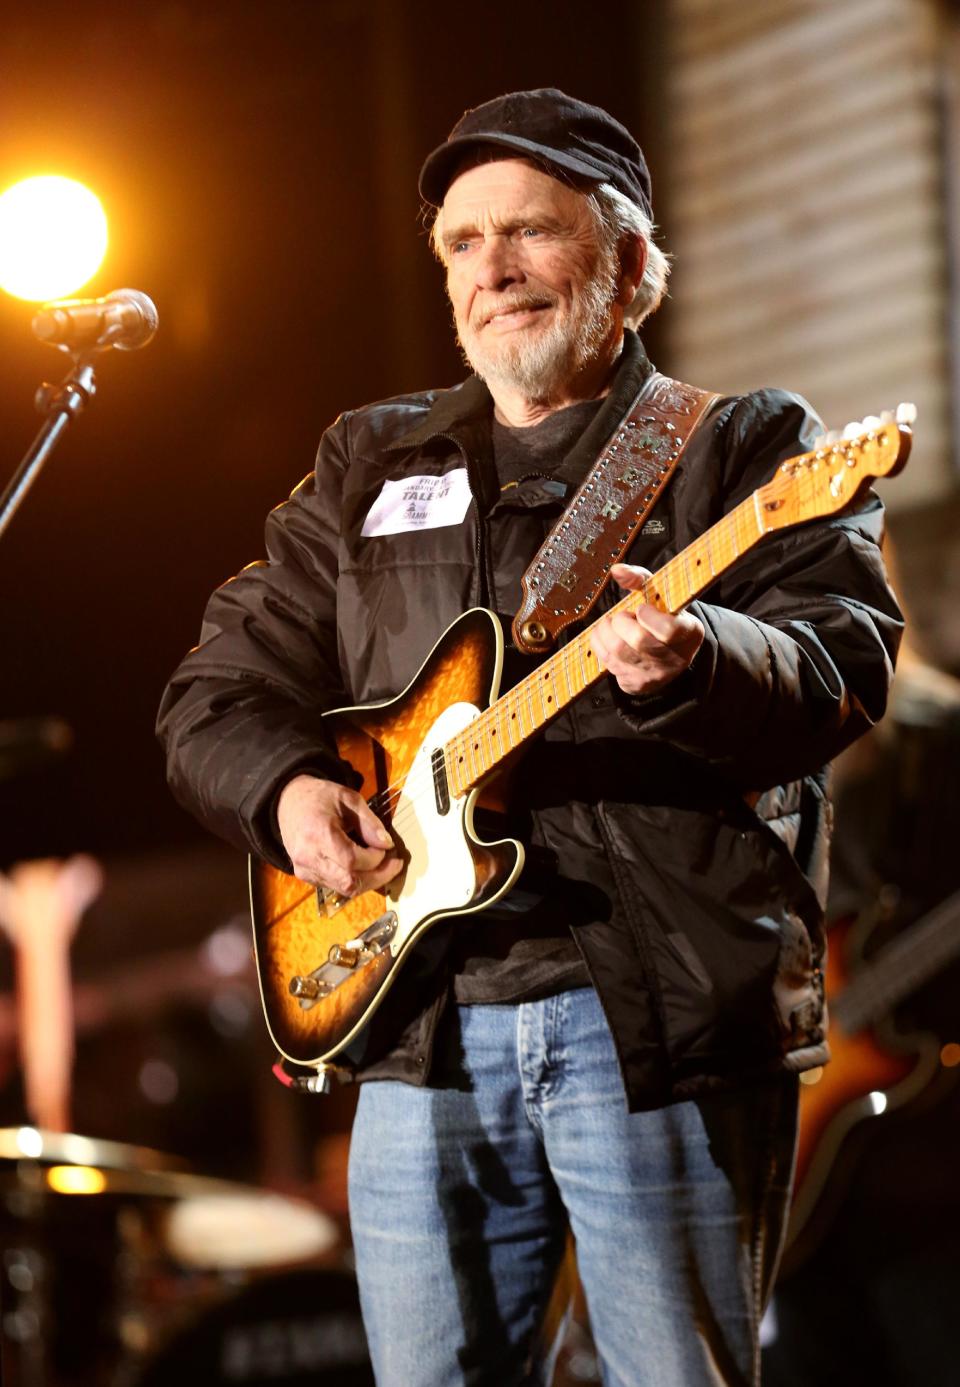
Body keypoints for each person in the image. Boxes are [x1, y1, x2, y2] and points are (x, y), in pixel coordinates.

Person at [158, 89, 903, 1386]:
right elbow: (216, 691)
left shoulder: (744, 446)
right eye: (461, 242)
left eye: (529, 232)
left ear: (628, 261)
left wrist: (697, 658)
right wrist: (285, 794)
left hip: (657, 1024)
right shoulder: (369, 465)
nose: (491, 269)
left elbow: (841, 663)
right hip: (415, 1020)